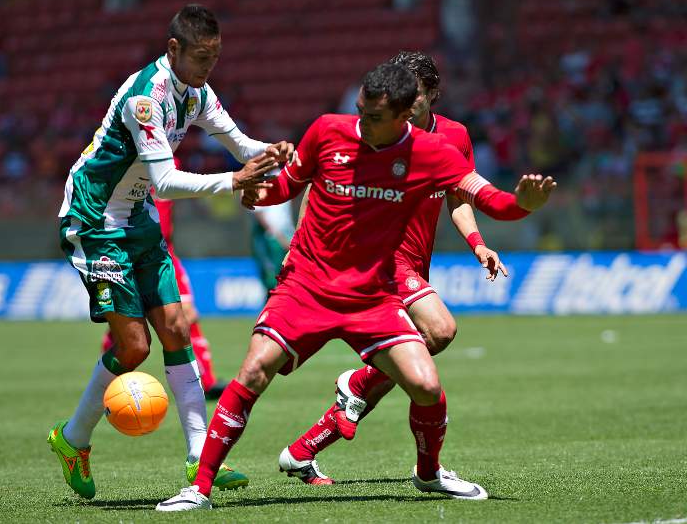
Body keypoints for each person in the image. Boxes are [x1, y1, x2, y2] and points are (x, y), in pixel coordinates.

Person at [156, 62, 555, 511]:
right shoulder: (328, 130)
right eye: (360, 111)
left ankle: (428, 473)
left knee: (426, 385)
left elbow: (487, 199)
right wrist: (256, 192)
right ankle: (199, 488)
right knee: (252, 371)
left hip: (371, 294)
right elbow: (288, 184)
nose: (362, 123)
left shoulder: (434, 152)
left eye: (374, 117)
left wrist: (523, 203)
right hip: (305, 285)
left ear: (406, 114)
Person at [47, 4, 295, 500]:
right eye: (202, 57)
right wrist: (233, 181)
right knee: (135, 347)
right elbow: (163, 181)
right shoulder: (147, 98)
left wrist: (275, 153)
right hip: (96, 219)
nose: (209, 68)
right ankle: (72, 438)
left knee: (177, 327)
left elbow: (242, 145)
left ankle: (199, 459)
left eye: (216, 58)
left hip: (136, 218)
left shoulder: (196, 92)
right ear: (174, 49)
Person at [278, 51, 509, 485]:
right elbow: (322, 183)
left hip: (417, 261)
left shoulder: (454, 137)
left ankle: (303, 449)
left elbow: (460, 196)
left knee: (405, 367)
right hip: (379, 258)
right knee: (439, 331)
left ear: (432, 95)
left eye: (416, 95)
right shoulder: (370, 131)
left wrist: (478, 243)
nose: (405, 103)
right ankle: (424, 467)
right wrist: (297, 245)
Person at [101, 160, 229, 400]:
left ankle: (206, 382)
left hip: (162, 252)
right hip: (125, 252)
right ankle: (111, 384)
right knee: (124, 326)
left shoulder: (171, 162)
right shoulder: (123, 160)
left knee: (186, 314)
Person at [249, 201, 295, 292]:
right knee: (274, 280)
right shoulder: (260, 187)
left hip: (288, 235)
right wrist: (280, 238)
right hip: (271, 239)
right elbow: (259, 213)